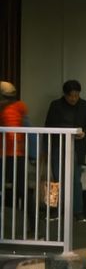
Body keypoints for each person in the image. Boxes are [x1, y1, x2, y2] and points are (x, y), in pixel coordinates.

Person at [45, 80, 86, 219]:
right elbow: (48, 126)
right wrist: (45, 149)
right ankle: (54, 209)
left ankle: (78, 211)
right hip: (57, 145)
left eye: (76, 95)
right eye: (71, 96)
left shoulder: (85, 105)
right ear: (65, 94)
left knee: (75, 180)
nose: (74, 98)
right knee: (55, 179)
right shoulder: (55, 105)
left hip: (77, 147)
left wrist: (84, 133)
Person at [0, 80, 29, 214]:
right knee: (21, 188)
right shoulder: (19, 107)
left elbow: (16, 132)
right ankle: (31, 221)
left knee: (21, 188)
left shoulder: (13, 109)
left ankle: (31, 220)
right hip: (13, 153)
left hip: (12, 153)